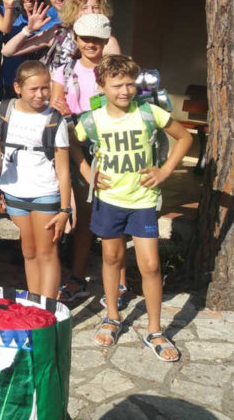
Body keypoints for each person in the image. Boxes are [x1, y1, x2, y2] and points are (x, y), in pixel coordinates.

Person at [71, 55, 192, 362]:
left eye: (129, 84)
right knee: (111, 259)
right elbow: (72, 142)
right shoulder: (92, 119)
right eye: (117, 85)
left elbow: (184, 137)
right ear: (101, 86)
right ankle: (112, 316)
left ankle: (155, 330)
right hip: (109, 201)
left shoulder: (149, 112)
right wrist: (86, 171)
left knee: (150, 265)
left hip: (143, 201)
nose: (124, 91)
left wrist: (165, 171)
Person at [49, 14, 126, 305]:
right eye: (85, 38)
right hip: (74, 146)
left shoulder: (115, 72)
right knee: (84, 216)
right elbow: (58, 105)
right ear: (76, 39)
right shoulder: (64, 69)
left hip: (110, 149)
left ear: (106, 41)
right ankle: (78, 276)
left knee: (116, 215)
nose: (91, 44)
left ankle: (120, 283)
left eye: (97, 39)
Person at [0, 61, 71, 298]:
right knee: (29, 252)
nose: (40, 95)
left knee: (47, 253)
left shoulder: (54, 119)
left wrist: (65, 210)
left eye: (45, 88)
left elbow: (63, 169)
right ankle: (35, 303)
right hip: (14, 192)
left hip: (45, 193)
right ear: (18, 87)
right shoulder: (3, 110)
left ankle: (48, 308)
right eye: (33, 89)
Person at [1, 0, 121, 76]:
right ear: (73, 10)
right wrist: (28, 30)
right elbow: (7, 51)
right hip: (55, 98)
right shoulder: (59, 33)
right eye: (84, 8)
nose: (90, 12)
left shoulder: (108, 42)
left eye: (95, 7)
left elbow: (116, 80)